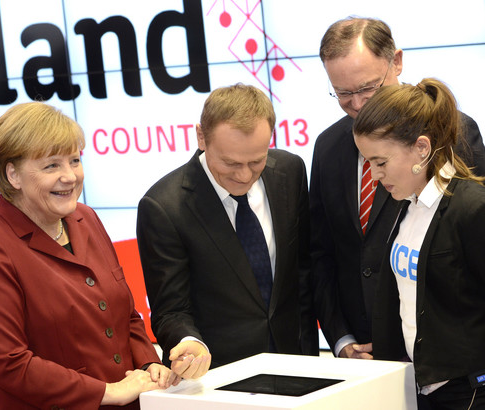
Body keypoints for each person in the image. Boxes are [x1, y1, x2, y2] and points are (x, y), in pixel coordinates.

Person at [0, 102, 178, 410]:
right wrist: (108, 392)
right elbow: (9, 364)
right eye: (52, 166)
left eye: (74, 160)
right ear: (13, 175)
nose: (70, 176)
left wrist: (146, 364)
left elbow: (125, 315)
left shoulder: (86, 219)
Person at [310, 16, 485, 359]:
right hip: (362, 353)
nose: (358, 104)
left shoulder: (453, 133)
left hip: (445, 357)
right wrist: (342, 340)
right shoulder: (328, 146)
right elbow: (322, 253)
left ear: (397, 62)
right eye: (344, 93)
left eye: (367, 87)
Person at [136, 83, 319, 379]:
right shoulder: (164, 207)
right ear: (201, 137)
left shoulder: (290, 171)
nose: (244, 175)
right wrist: (188, 343)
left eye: (256, 161)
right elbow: (171, 310)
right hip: (220, 378)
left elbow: (303, 273)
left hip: (298, 365)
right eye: (230, 163)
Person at [353, 78, 485, 409]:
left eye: (380, 162)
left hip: (468, 392)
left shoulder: (472, 208)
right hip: (419, 387)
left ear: (422, 148)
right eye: (368, 162)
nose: (373, 175)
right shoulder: (406, 206)